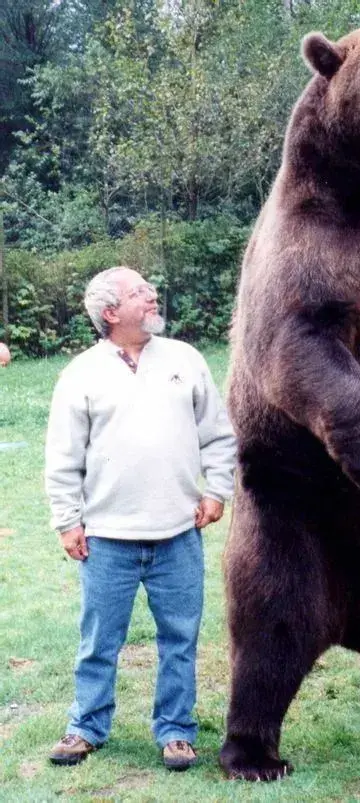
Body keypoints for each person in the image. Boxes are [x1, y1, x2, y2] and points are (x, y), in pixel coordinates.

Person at [45, 266, 236, 770]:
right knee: (98, 642)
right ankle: (86, 726)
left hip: (179, 534)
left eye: (149, 288)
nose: (151, 296)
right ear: (111, 313)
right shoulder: (80, 374)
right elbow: (63, 458)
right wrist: (68, 521)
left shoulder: (186, 360)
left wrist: (217, 490)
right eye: (138, 293)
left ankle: (176, 731)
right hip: (106, 539)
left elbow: (218, 436)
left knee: (180, 640)